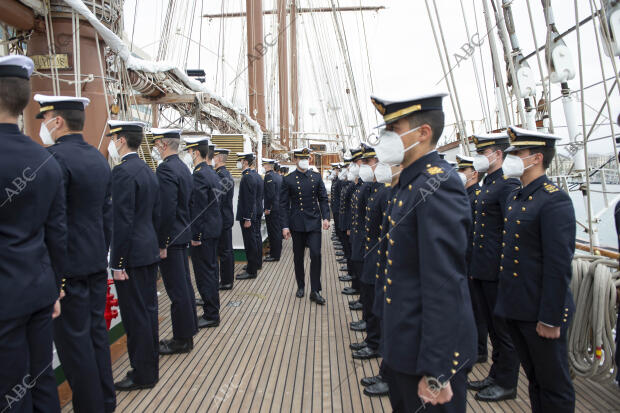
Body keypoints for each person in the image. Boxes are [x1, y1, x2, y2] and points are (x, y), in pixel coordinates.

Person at [370, 92, 476, 412]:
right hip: (405, 346)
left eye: (394, 128)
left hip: (428, 356)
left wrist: (437, 371)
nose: (386, 137)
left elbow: (444, 283)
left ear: (422, 133)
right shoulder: (407, 184)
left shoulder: (437, 184)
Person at [35, 94, 116, 412]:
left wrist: (53, 276)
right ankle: (106, 401)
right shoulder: (98, 159)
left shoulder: (53, 160)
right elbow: (105, 218)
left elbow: (52, 223)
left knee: (73, 345)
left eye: (44, 119)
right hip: (95, 263)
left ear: (57, 121)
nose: (42, 126)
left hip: (68, 271)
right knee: (97, 337)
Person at [0, 55, 65, 413]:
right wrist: (55, 288)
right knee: (41, 380)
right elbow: (57, 232)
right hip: (39, 292)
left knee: (9, 391)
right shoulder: (47, 161)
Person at [495, 126, 576, 412]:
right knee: (536, 381)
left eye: (518, 153)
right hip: (519, 309)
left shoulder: (554, 200)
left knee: (554, 385)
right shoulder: (518, 198)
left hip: (542, 313)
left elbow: (558, 265)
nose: (511, 158)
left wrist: (551, 318)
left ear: (537, 158)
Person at [107, 120, 161, 390]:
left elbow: (122, 221)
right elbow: (155, 215)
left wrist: (117, 263)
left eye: (113, 138)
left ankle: (141, 374)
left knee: (135, 316)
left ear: (120, 140)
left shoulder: (122, 173)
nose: (112, 143)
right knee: (149, 312)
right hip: (148, 251)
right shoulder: (148, 171)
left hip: (131, 258)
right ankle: (150, 370)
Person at [468, 133, 521, 402]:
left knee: (503, 330)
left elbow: (511, 229)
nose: (479, 157)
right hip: (481, 267)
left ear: (497, 155)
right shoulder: (488, 184)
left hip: (496, 270)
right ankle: (495, 374)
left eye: (483, 152)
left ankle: (507, 382)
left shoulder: (507, 184)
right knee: (491, 326)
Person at [150, 128, 197, 354]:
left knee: (177, 291)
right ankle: (188, 332)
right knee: (185, 287)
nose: (156, 148)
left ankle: (181, 340)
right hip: (182, 234)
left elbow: (166, 211)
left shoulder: (165, 170)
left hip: (172, 238)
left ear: (162, 145)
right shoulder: (183, 168)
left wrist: (162, 242)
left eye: (156, 144)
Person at [280, 148, 330, 304]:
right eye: (302, 158)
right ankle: (300, 285)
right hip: (297, 223)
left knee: (316, 254)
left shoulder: (316, 177)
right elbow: (283, 205)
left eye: (307, 158)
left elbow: (322, 198)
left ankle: (315, 290)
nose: (304, 161)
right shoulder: (288, 179)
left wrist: (326, 217)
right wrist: (285, 226)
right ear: (296, 160)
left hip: (314, 222)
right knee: (298, 256)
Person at [185, 137, 223, 328]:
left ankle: (211, 314)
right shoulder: (212, 173)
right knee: (211, 270)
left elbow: (198, 208)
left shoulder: (199, 175)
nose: (189, 156)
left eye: (189, 152)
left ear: (196, 152)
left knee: (204, 273)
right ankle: (212, 308)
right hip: (214, 229)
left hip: (204, 233)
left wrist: (196, 236)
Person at [353, 145, 386, 363]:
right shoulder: (375, 189)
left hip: (378, 253)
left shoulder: (386, 190)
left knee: (376, 301)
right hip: (369, 250)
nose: (364, 166)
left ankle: (376, 343)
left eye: (368, 162)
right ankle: (372, 340)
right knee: (370, 296)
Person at [456, 154, 490, 365]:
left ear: (474, 174)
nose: (460, 174)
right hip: (464, 259)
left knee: (477, 309)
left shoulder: (475, 196)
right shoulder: (466, 195)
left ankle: (479, 350)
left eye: (464, 170)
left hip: (472, 259)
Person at [349, 144, 375, 334]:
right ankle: (367, 319)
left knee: (370, 286)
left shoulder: (375, 189)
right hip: (362, 240)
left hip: (371, 244)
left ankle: (370, 323)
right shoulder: (366, 187)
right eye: (362, 162)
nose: (363, 165)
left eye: (367, 161)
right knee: (365, 282)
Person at [340, 149, 364, 296]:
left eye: (356, 162)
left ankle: (358, 289)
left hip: (362, 233)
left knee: (360, 263)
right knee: (355, 258)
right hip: (354, 229)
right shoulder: (356, 184)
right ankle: (356, 286)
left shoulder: (363, 185)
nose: (352, 166)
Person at [236, 152, 260, 280]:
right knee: (250, 242)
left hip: (247, 217)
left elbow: (249, 199)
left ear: (245, 162)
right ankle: (252, 266)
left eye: (239, 160)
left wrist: (248, 218)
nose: (238, 163)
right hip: (249, 215)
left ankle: (251, 271)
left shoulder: (247, 177)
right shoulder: (250, 175)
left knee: (250, 243)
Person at [213, 147, 235, 290]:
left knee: (225, 251)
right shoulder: (225, 174)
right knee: (226, 250)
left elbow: (217, 200)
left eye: (214, 156)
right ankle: (227, 279)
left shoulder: (222, 176)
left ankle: (226, 281)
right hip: (225, 217)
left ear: (219, 158)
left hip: (222, 218)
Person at [262, 158, 282, 262]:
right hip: (278, 208)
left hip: (272, 209)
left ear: (268, 166)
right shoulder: (278, 176)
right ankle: (276, 251)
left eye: (264, 165)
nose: (263, 167)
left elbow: (269, 194)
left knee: (273, 232)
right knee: (277, 231)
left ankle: (275, 255)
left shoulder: (269, 176)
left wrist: (267, 208)